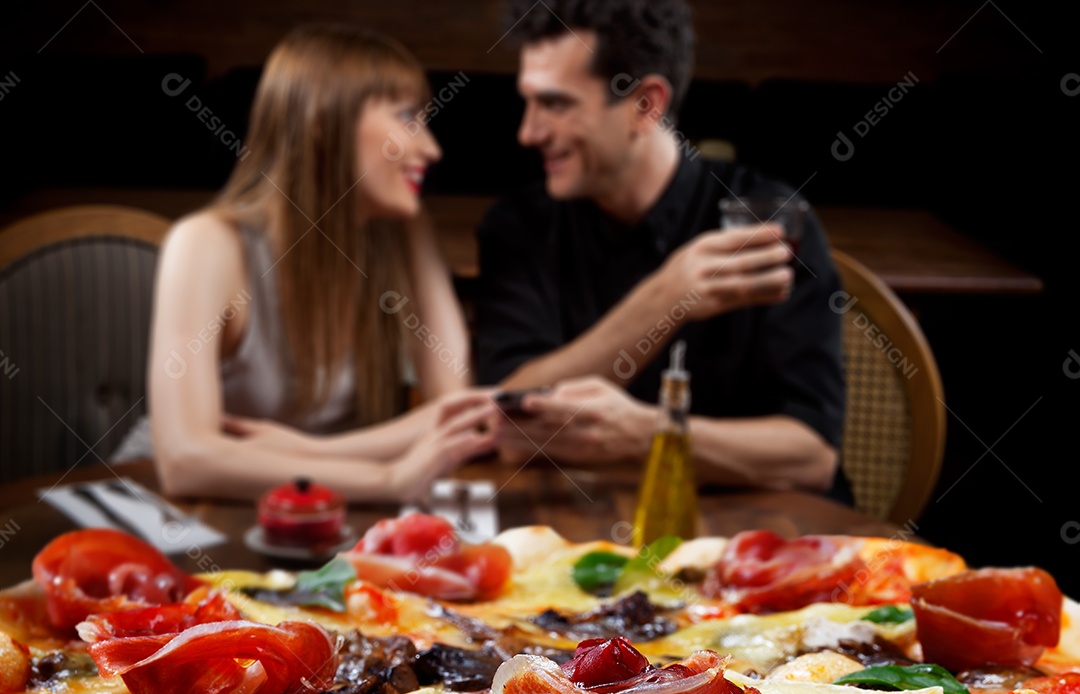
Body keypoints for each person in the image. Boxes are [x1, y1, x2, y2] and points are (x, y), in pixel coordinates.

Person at [474, 0, 848, 498]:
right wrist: (667, 298)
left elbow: (811, 457)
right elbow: (511, 424)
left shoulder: (767, 219)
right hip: (583, 538)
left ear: (645, 104)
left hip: (760, 543)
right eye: (528, 101)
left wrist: (651, 433)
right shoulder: (518, 226)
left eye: (556, 104)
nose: (529, 132)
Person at [144, 24, 496, 502]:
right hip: (193, 515)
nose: (430, 149)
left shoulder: (405, 231)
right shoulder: (206, 244)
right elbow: (187, 462)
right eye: (407, 117)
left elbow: (458, 416)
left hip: (320, 513)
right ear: (321, 122)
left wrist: (310, 453)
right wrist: (385, 481)